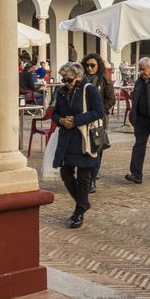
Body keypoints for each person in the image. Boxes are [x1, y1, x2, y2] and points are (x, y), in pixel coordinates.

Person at [51, 61, 103, 229]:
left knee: (83, 177)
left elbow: (98, 111)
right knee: (65, 173)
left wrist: (77, 120)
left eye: (69, 80)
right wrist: (60, 120)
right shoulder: (60, 92)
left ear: (78, 77)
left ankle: (79, 212)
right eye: (64, 80)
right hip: (67, 138)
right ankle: (83, 202)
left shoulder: (89, 90)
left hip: (84, 137)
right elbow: (55, 112)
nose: (66, 83)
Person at [82, 52, 116, 189]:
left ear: (98, 66)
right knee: (84, 148)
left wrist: (100, 110)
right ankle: (85, 177)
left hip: (99, 120)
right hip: (83, 119)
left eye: (92, 65)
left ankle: (92, 179)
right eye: (87, 65)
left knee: (96, 148)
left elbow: (111, 99)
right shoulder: (81, 79)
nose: (89, 68)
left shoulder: (104, 80)